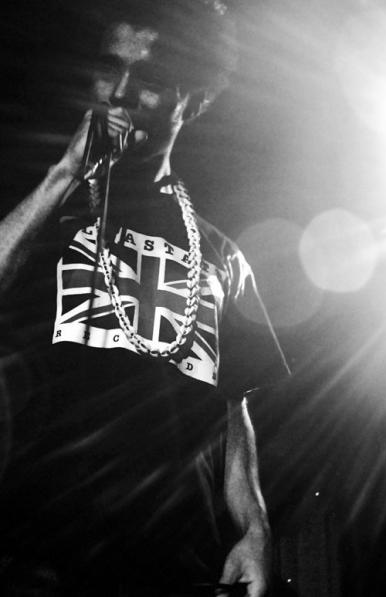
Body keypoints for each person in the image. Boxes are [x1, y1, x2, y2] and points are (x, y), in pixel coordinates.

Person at [0, 1, 290, 595]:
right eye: (110, 69)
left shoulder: (224, 256)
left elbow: (232, 412)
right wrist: (62, 176)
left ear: (194, 99)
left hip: (176, 563)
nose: (121, 93)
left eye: (149, 78)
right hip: (37, 559)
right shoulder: (40, 212)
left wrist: (256, 528)